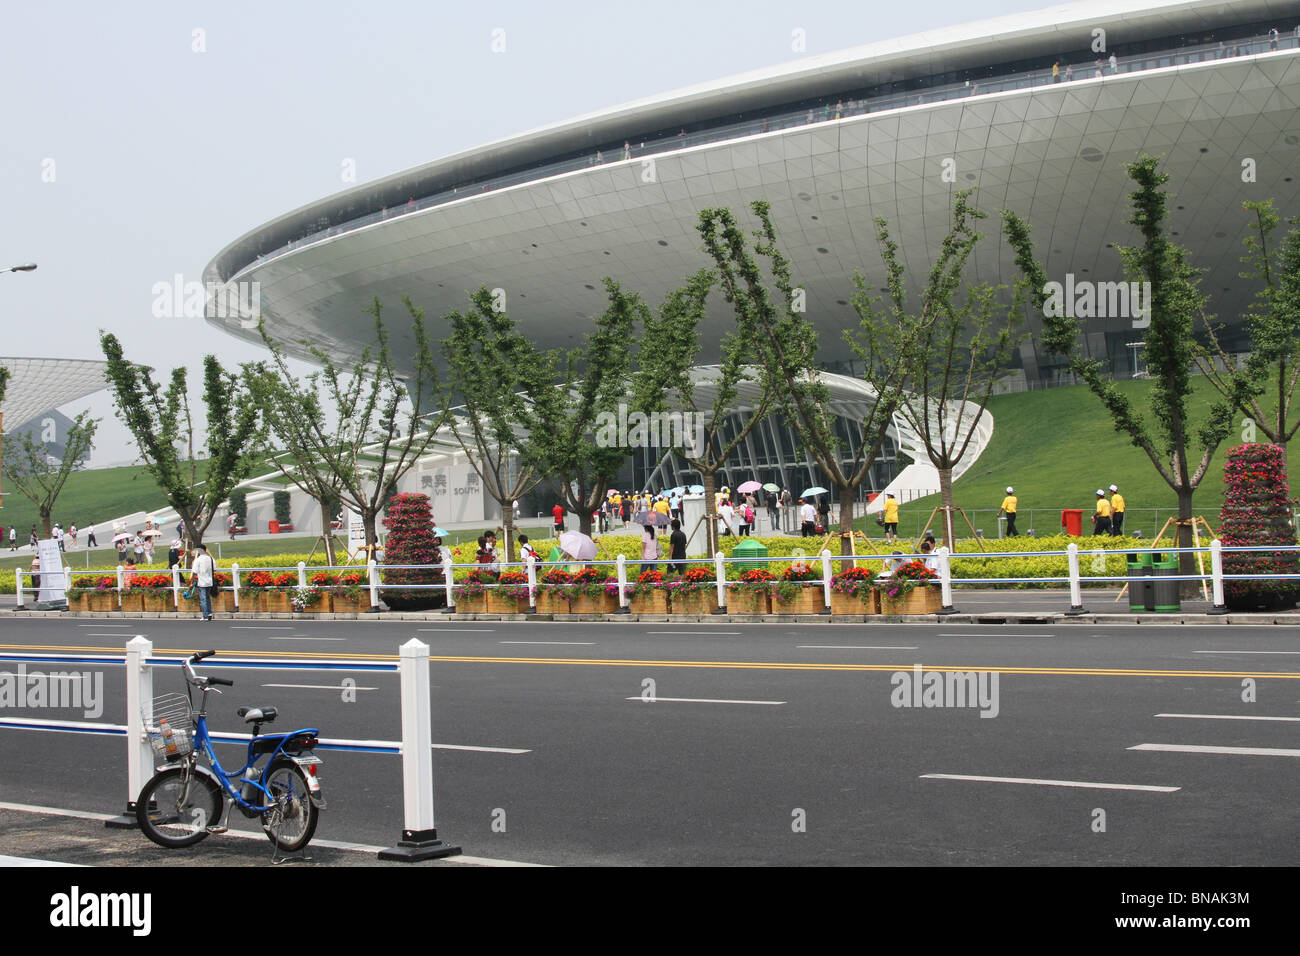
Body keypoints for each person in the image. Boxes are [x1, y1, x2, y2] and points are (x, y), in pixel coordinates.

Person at [190, 546, 216, 621]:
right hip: (210, 581)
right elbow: (214, 569)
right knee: (207, 598)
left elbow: (194, 571)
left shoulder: (198, 560)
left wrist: (191, 582)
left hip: (202, 581)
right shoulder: (211, 559)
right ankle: (209, 613)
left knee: (203, 599)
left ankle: (205, 616)